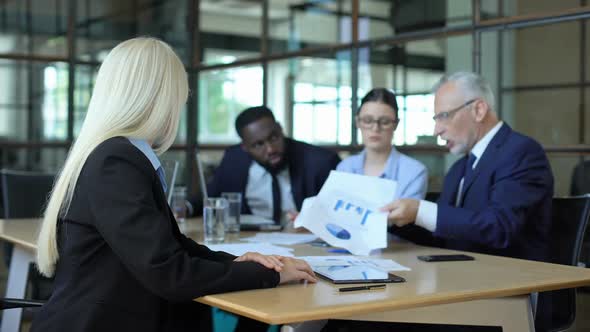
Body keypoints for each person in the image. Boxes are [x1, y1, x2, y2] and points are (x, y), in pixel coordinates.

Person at [32, 37, 316, 332]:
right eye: (178, 98)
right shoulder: (115, 162)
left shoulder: (117, 155)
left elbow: (173, 247)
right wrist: (268, 275)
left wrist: (239, 261)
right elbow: (169, 273)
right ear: (157, 99)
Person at [382, 71, 554, 262]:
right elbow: (443, 237)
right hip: (464, 278)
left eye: (444, 116)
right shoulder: (458, 169)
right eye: (436, 119)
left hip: (512, 282)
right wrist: (391, 219)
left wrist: (420, 210)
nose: (436, 130)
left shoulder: (521, 152)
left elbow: (499, 228)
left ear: (479, 110)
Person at [205, 106, 341, 225]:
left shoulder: (320, 162)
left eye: (273, 138)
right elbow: (210, 197)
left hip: (302, 241)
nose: (270, 149)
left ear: (281, 129)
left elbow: (340, 215)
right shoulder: (234, 159)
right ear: (245, 148)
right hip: (250, 240)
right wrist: (186, 207)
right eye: (258, 145)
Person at [336, 88, 427, 200]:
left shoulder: (414, 172)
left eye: (385, 122)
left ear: (396, 124)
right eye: (368, 120)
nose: (375, 128)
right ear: (358, 122)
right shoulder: (345, 168)